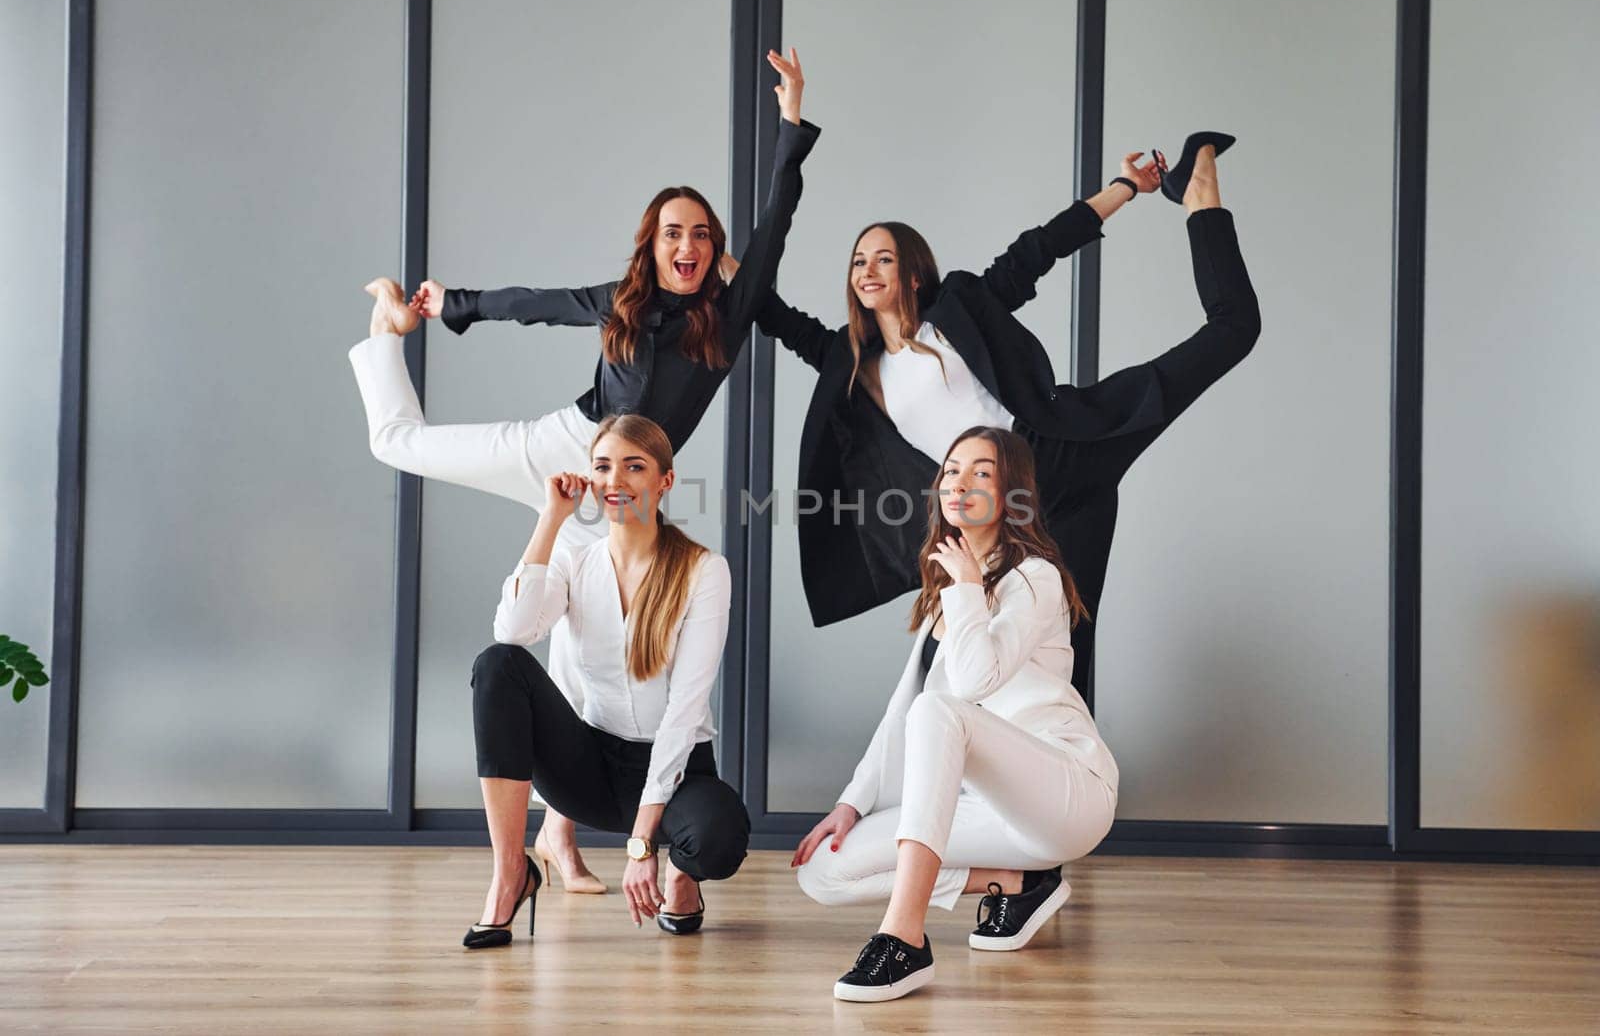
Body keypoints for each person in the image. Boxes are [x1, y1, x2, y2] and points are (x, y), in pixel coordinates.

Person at [353, 48, 812, 887]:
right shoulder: (622, 301)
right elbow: (536, 304)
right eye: (674, 231)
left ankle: (557, 837)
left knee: (591, 637)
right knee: (399, 444)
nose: (689, 244)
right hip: (564, 448)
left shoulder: (728, 315)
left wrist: (791, 125)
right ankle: (383, 331)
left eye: (702, 234)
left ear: (714, 253)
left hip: (624, 482)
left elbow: (775, 229)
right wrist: (446, 305)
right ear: (654, 243)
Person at [754, 132, 1258, 702]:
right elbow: (776, 317)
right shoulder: (859, 368)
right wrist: (734, 273)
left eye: (883, 259)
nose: (867, 271)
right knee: (1065, 648)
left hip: (1062, 445)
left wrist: (1124, 189)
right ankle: (1060, 782)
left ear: (914, 274)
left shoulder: (956, 309)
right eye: (858, 262)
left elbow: (1036, 250)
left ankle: (1198, 188)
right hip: (1015, 504)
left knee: (1234, 331)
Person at [792, 426, 1117, 1001]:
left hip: (1068, 795)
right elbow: (902, 716)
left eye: (982, 472)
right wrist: (849, 804)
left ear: (1013, 493)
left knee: (940, 711)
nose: (959, 482)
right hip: (988, 814)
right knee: (823, 870)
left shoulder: (1033, 578)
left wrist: (968, 587)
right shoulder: (947, 591)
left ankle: (904, 938)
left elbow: (971, 684)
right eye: (950, 470)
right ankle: (1019, 884)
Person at [463, 414, 745, 948]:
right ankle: (510, 874)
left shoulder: (705, 570)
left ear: (665, 480)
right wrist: (551, 518)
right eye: (603, 467)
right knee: (497, 664)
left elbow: (685, 709)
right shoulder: (575, 561)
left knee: (719, 840)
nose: (615, 481)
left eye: (633, 467)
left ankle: (682, 876)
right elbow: (513, 630)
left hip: (678, 772)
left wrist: (643, 845)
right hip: (589, 770)